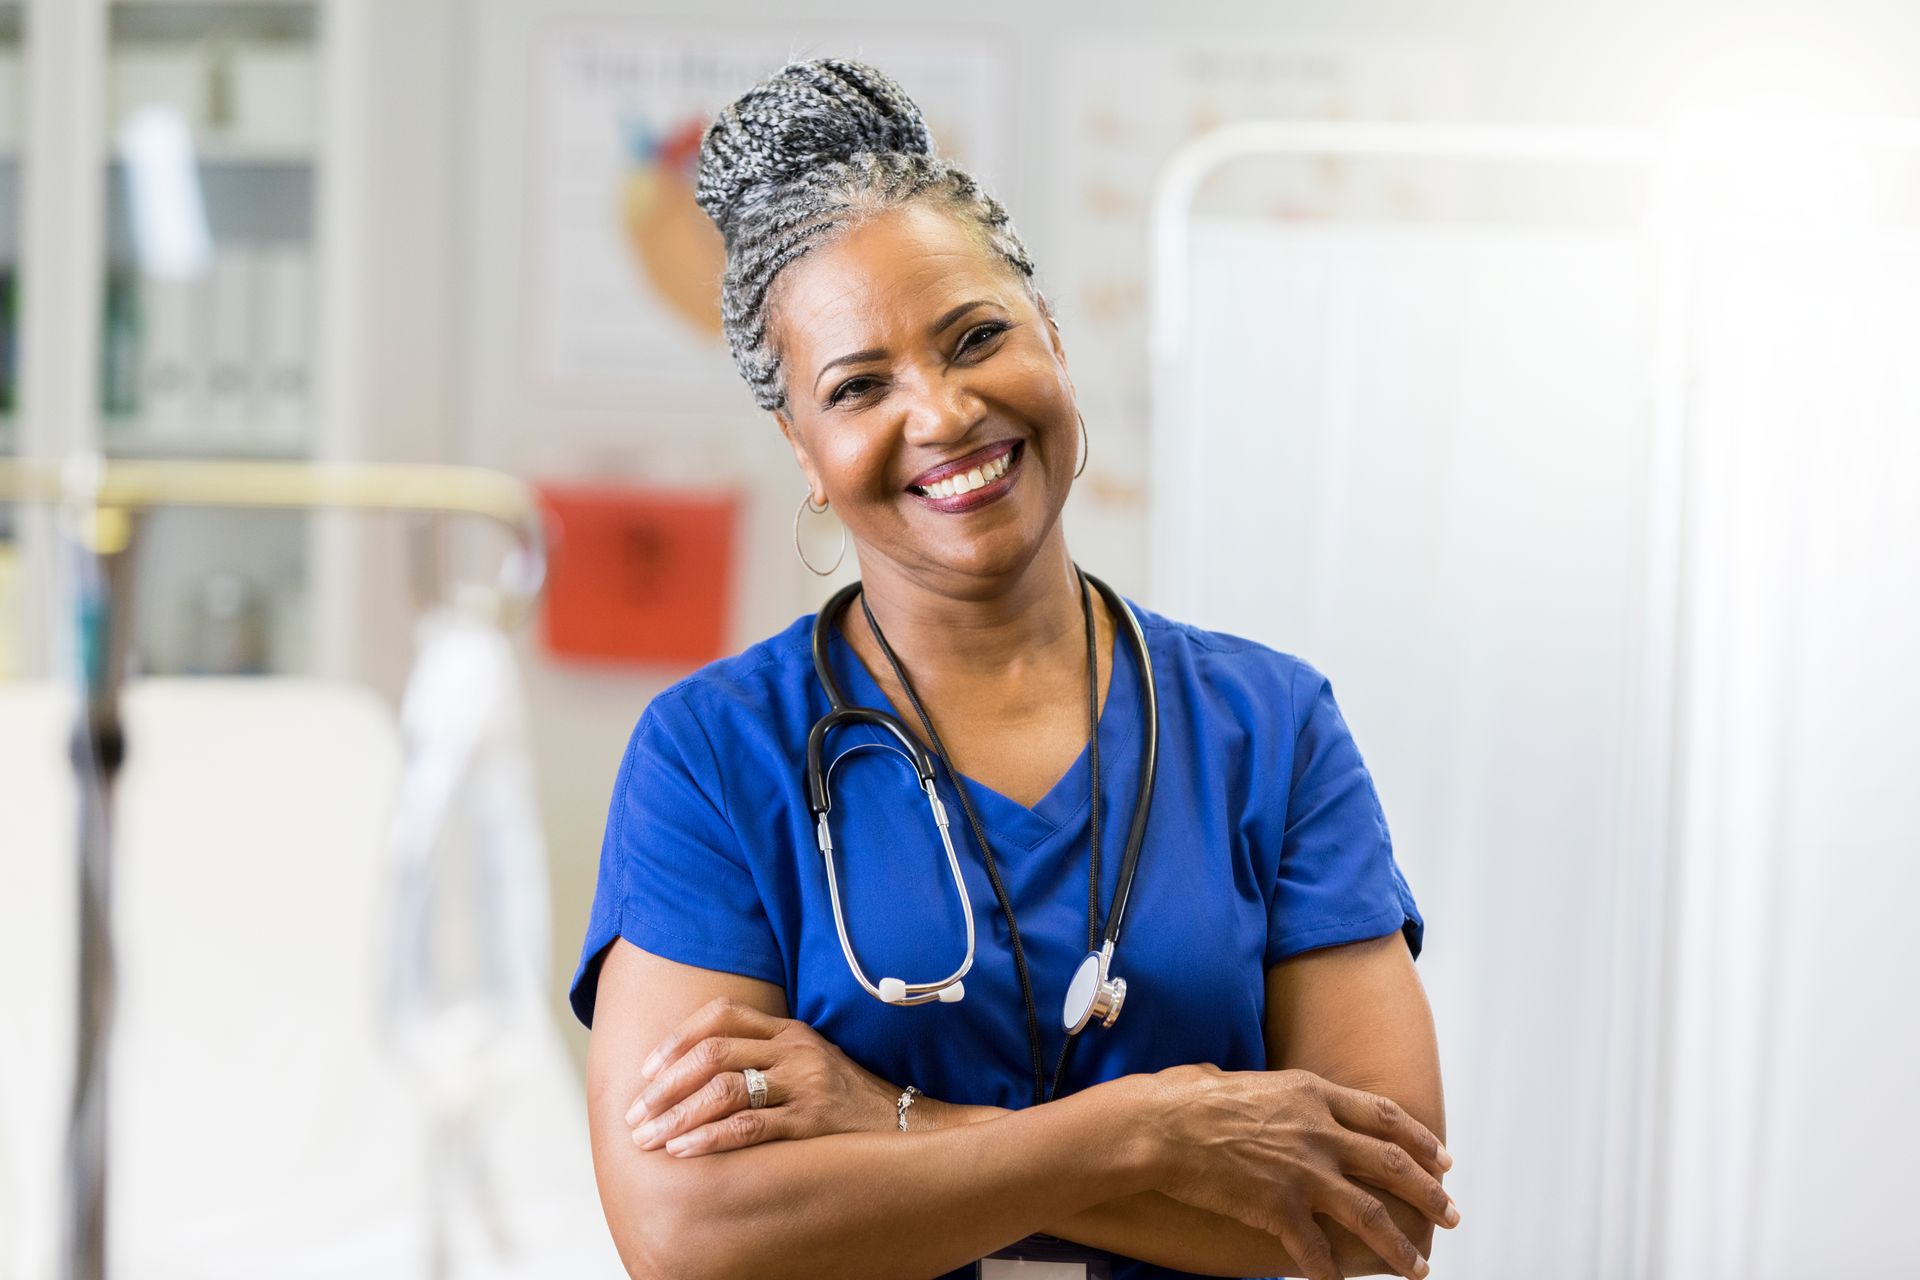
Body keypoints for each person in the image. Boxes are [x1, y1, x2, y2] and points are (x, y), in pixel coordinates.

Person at [570, 57, 1455, 1280]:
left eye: (976, 336)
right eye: (859, 386)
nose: (939, 413)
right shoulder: (717, 756)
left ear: (1055, 344)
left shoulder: (1269, 727)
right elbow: (689, 1230)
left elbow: (1378, 1206)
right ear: (806, 450)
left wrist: (893, 1123)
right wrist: (1151, 1132)